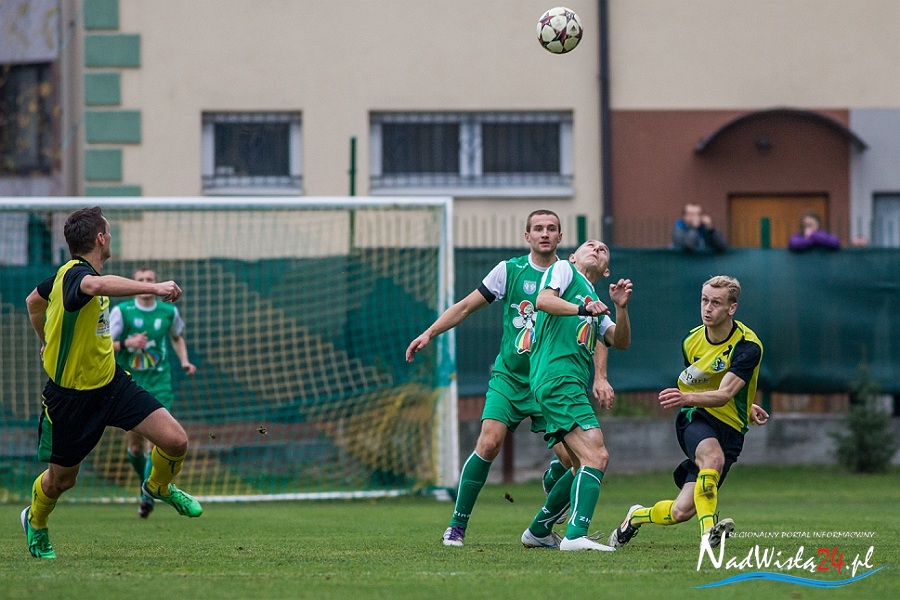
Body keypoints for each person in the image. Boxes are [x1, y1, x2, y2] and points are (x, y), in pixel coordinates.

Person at [22, 206, 202, 559]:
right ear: (101, 238)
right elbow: (96, 285)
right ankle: (36, 520)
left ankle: (157, 486)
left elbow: (33, 302)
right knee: (61, 481)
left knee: (175, 440)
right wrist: (155, 286)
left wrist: (44, 338)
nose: (111, 236)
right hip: (70, 399)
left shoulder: (63, 279)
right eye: (109, 231)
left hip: (112, 385)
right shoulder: (76, 274)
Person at [407, 209, 571, 548]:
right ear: (527, 236)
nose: (544, 233)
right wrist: (429, 333)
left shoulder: (569, 275)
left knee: (575, 462)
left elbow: (591, 326)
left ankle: (543, 521)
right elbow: (466, 306)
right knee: (489, 442)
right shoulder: (509, 271)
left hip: (548, 381)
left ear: (560, 236)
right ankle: (456, 526)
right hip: (509, 378)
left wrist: (600, 376)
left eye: (551, 228)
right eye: (538, 228)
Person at [607, 275, 766, 552]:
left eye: (716, 303)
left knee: (681, 511)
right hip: (696, 416)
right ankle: (709, 533)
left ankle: (635, 516)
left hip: (731, 428)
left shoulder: (748, 346)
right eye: (704, 300)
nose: (707, 308)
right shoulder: (691, 341)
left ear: (732, 308)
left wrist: (745, 406)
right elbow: (705, 383)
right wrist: (688, 400)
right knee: (713, 459)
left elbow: (726, 392)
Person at [521, 240, 632, 551]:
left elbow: (619, 341)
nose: (596, 248)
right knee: (597, 455)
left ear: (606, 270)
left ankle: (539, 530)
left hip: (562, 382)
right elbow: (543, 300)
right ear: (573, 256)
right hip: (559, 377)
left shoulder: (594, 300)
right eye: (589, 245)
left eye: (603, 249)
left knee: (579, 462)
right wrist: (583, 308)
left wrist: (621, 308)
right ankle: (575, 535)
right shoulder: (564, 270)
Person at [110, 267, 198, 519]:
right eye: (141, 280)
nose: (146, 283)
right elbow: (104, 345)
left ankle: (148, 495)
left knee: (156, 444)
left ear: (156, 283)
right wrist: (128, 343)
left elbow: (177, 337)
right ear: (135, 284)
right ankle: (146, 486)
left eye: (149, 279)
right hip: (130, 386)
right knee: (136, 447)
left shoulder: (168, 311)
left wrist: (184, 361)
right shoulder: (122, 311)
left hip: (160, 384)